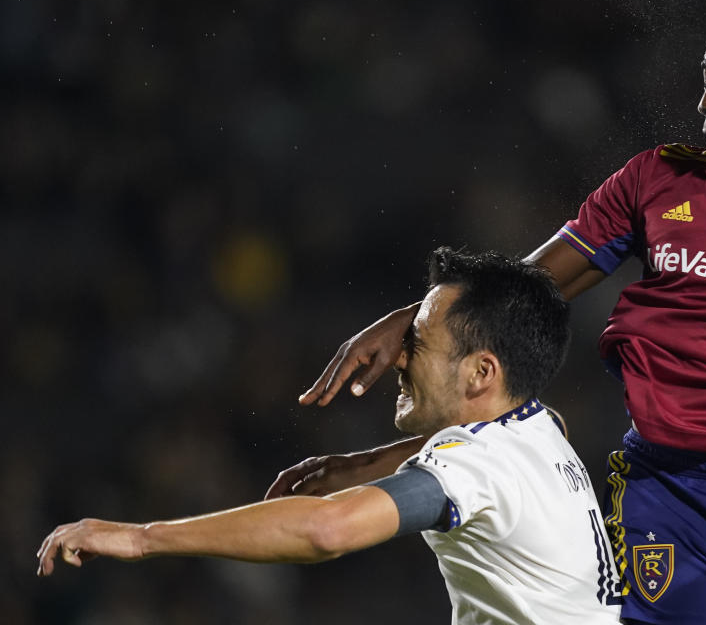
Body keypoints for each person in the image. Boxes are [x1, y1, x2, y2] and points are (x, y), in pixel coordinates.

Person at [273, 3, 706, 625]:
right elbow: (529, 289)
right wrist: (415, 316)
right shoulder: (656, 180)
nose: (705, 103)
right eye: (705, 83)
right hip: (663, 499)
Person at [38, 248, 622, 625]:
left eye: (415, 342)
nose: (399, 358)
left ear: (481, 372)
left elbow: (328, 529)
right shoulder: (538, 426)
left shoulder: (478, 465)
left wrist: (141, 538)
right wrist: (364, 462)